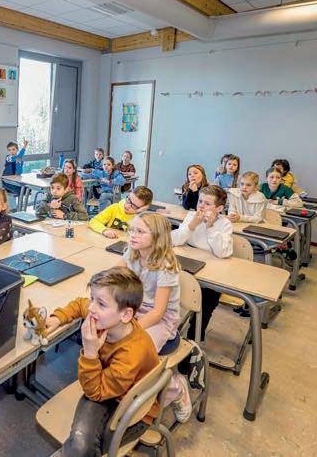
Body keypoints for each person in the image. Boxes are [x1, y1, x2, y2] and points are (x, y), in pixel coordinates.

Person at [43, 267, 160, 457]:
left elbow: (95, 392)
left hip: (129, 408)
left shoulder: (131, 355)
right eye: (92, 299)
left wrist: (90, 353)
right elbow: (80, 304)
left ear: (126, 314)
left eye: (101, 304)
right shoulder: (107, 318)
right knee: (80, 446)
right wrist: (58, 317)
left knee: (82, 447)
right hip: (109, 386)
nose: (91, 308)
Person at [118, 213, 192, 422]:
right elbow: (114, 274)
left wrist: (131, 330)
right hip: (136, 309)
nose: (133, 235)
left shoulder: (166, 265)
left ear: (157, 236)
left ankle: (176, 388)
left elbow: (158, 312)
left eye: (140, 231)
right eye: (132, 230)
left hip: (161, 319)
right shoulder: (132, 252)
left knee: (138, 356)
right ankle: (123, 392)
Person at [172, 185, 233, 341]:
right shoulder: (191, 216)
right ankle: (168, 332)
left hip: (211, 271)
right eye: (200, 201)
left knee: (207, 302)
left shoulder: (225, 224)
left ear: (219, 208)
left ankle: (194, 339)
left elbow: (223, 252)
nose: (201, 206)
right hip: (186, 264)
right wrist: (191, 226)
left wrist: (210, 227)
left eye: (207, 203)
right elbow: (174, 241)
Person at [88, 186, 153, 238]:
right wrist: (104, 230)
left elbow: (147, 235)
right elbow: (94, 221)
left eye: (134, 206)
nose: (128, 206)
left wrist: (141, 213)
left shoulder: (140, 218)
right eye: (129, 200)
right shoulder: (114, 208)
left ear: (141, 208)